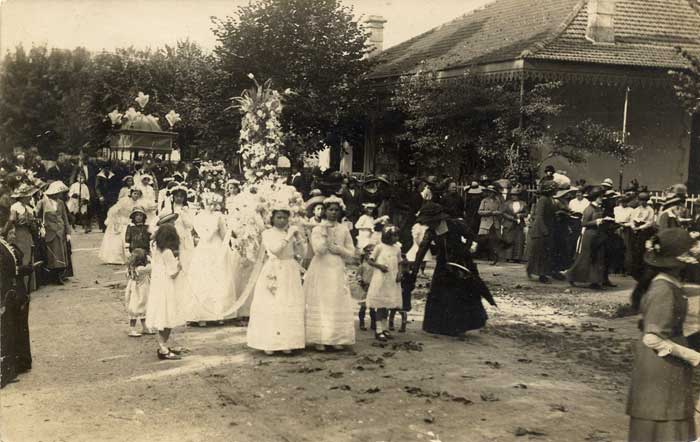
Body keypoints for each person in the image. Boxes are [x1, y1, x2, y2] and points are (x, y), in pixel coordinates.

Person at [627, 228, 700, 442]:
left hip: (665, 364)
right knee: (663, 418)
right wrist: (694, 356)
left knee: (665, 414)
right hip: (661, 365)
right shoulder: (664, 290)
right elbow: (653, 337)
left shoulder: (668, 284)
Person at [406, 202, 496, 337]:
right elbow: (421, 250)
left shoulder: (456, 224)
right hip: (443, 264)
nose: (429, 224)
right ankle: (440, 326)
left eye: (430, 221)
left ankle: (459, 326)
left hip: (461, 262)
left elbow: (473, 237)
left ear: (438, 219)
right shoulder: (430, 231)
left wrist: (471, 249)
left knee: (461, 294)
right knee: (441, 294)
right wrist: (414, 270)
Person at [247, 209, 306, 355]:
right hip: (274, 269)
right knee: (272, 304)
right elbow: (275, 250)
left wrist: (298, 239)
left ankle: (287, 342)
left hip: (290, 270)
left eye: (285, 218)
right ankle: (270, 342)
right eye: (279, 217)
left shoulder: (291, 234)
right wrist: (289, 236)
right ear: (272, 219)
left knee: (288, 302)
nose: (282, 220)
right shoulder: (267, 233)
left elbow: (303, 254)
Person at [304, 196, 356, 351]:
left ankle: (336, 337)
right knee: (322, 300)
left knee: (335, 299)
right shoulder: (317, 229)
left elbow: (351, 252)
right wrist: (325, 235)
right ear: (325, 211)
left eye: (336, 210)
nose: (333, 213)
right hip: (321, 267)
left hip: (336, 267)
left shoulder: (344, 229)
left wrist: (339, 249)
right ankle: (320, 338)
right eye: (330, 210)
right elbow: (318, 250)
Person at [188, 193, 237, 326]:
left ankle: (219, 313)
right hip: (205, 249)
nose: (212, 206)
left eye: (213, 204)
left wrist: (227, 242)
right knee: (204, 278)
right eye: (209, 203)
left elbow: (223, 234)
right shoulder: (198, 217)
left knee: (219, 278)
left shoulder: (218, 216)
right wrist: (214, 230)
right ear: (204, 203)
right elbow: (204, 235)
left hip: (217, 248)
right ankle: (202, 315)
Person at [145, 219, 192, 360]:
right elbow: (172, 273)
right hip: (166, 286)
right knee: (167, 318)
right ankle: (163, 347)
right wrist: (179, 265)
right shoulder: (167, 253)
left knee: (162, 315)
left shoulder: (155, 248)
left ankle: (163, 345)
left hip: (157, 285)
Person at [0, 237, 33, 388]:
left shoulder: (3, 243)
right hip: (6, 293)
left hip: (11, 292)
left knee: (13, 329)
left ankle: (16, 364)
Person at [567, 187, 615, 289]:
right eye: (599, 197)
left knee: (597, 258)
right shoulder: (588, 209)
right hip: (590, 236)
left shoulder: (598, 208)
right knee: (587, 258)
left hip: (598, 236)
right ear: (595, 198)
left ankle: (595, 282)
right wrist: (597, 221)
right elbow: (584, 223)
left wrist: (605, 220)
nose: (601, 199)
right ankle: (571, 276)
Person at [366, 225, 403, 342]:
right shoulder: (380, 247)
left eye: (397, 235)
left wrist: (399, 273)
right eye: (393, 235)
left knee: (387, 305)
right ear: (386, 236)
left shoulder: (397, 248)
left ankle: (385, 328)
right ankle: (378, 330)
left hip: (392, 279)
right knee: (380, 305)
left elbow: (400, 262)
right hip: (381, 278)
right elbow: (370, 260)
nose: (396, 238)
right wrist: (380, 266)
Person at [2, 184, 39, 292]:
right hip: (17, 234)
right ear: (23, 197)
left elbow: (33, 226)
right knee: (19, 257)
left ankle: (29, 285)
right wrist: (5, 231)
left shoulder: (29, 208)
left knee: (28, 257)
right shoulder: (15, 207)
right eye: (28, 196)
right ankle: (20, 285)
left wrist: (33, 225)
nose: (30, 198)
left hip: (27, 234)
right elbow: (11, 221)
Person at [36, 181, 71, 284]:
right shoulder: (42, 202)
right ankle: (54, 276)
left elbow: (65, 218)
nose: (60, 195)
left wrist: (68, 232)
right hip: (50, 232)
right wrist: (41, 228)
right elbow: (38, 216)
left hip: (61, 232)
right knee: (53, 255)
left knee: (62, 255)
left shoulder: (61, 203)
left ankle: (60, 275)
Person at [526, 180, 558, 284]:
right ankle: (541, 275)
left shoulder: (550, 199)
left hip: (546, 229)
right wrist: (545, 230)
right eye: (555, 189)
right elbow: (539, 217)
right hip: (540, 230)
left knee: (541, 253)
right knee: (541, 253)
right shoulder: (543, 200)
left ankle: (532, 270)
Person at [627, 192, 656, 281]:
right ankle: (635, 271)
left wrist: (640, 227)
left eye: (644, 201)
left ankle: (642, 272)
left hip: (644, 231)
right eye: (641, 200)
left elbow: (650, 222)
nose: (642, 202)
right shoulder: (636, 210)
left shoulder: (650, 210)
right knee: (635, 250)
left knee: (643, 250)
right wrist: (633, 227)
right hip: (636, 231)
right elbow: (631, 219)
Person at [124, 248, 153, 337]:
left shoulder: (131, 268)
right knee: (141, 308)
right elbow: (153, 264)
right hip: (142, 291)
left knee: (137, 309)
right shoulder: (143, 269)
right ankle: (135, 329)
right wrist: (149, 257)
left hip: (133, 290)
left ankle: (142, 328)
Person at [499, 185, 528, 263]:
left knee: (519, 240)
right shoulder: (506, 203)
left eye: (516, 195)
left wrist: (520, 215)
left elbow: (526, 213)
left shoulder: (523, 203)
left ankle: (517, 257)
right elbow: (503, 213)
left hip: (519, 224)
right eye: (512, 195)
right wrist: (511, 218)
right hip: (509, 223)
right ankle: (508, 256)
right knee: (508, 239)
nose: (514, 197)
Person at [477, 185, 502, 265]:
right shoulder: (484, 201)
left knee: (494, 240)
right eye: (489, 192)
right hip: (486, 222)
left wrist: (497, 213)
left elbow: (501, 211)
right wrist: (489, 212)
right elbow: (480, 212)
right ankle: (484, 255)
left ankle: (494, 257)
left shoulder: (497, 201)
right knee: (484, 240)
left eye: (492, 192)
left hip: (494, 223)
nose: (491, 194)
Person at [95, 163, 120, 232]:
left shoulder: (113, 176)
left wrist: (115, 195)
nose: (107, 170)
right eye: (105, 168)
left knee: (111, 211)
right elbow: (97, 187)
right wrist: (100, 196)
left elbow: (116, 186)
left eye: (108, 168)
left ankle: (111, 225)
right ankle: (103, 227)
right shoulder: (99, 176)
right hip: (103, 196)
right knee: (103, 211)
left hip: (111, 196)